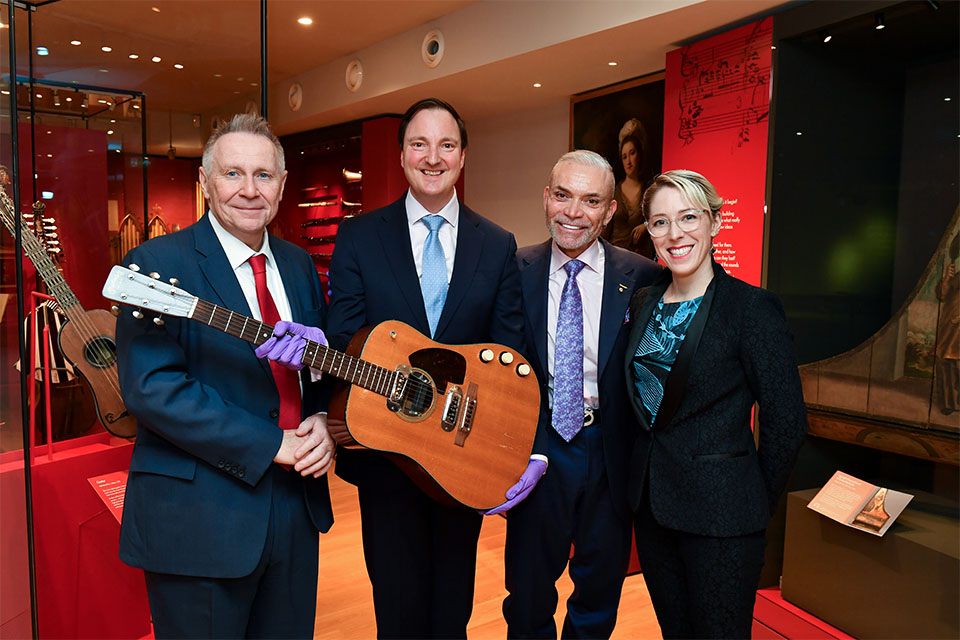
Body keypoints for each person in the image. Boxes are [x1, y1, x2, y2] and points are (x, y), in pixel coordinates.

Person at [264, 97, 525, 639]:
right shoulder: (361, 236)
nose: (433, 157)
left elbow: (508, 350)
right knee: (397, 611)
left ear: (463, 157)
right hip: (384, 456)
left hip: (462, 453)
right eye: (419, 144)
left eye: (446, 145)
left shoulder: (497, 244)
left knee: (453, 609)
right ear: (402, 156)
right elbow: (343, 337)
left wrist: (503, 445)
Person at [115, 113, 335, 639]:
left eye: (263, 176)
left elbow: (315, 371)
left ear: (282, 187)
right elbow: (152, 389)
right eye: (233, 174)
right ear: (206, 182)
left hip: (295, 509)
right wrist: (271, 443)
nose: (249, 190)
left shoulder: (300, 265)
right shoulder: (156, 264)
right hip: (200, 518)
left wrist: (326, 420)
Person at [625, 169, 807, 639]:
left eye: (689, 217)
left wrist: (750, 501)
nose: (675, 233)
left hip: (724, 519)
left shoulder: (751, 308)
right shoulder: (645, 300)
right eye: (660, 222)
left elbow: (787, 421)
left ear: (714, 223)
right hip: (655, 513)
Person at [501, 150, 660, 638]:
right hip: (538, 447)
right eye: (564, 196)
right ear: (546, 198)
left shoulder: (643, 278)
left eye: (591, 200)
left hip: (610, 453)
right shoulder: (513, 269)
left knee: (598, 591)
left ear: (610, 210)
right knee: (527, 593)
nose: (573, 212)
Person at [601, 119, 654, 259]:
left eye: (632, 153)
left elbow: (662, 218)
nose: (628, 161)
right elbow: (605, 230)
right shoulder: (614, 191)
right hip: (615, 257)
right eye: (624, 157)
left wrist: (646, 225)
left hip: (642, 259)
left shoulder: (649, 190)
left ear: (639, 154)